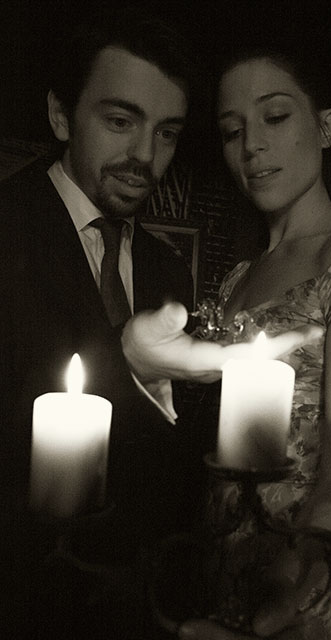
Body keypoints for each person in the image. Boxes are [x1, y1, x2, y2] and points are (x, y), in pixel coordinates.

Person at [122, 41, 331, 640]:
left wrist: (298, 577)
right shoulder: (238, 277)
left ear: (326, 127)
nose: (252, 146)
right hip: (228, 558)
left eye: (276, 116)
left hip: (323, 576)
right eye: (232, 130)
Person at [0, 7, 197, 639]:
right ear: (61, 115)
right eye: (120, 122)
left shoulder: (170, 270)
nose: (144, 156)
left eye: (167, 133)